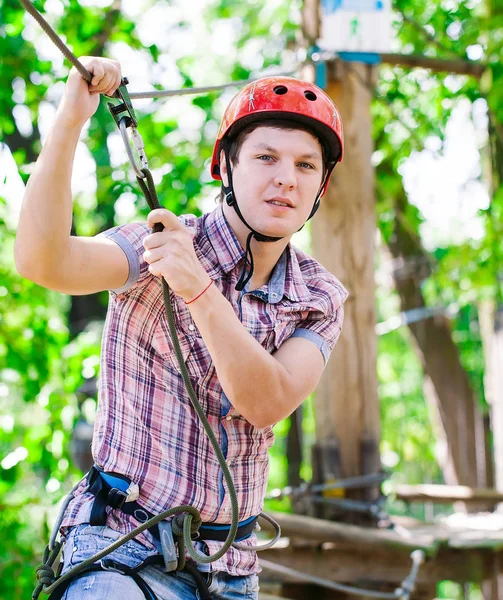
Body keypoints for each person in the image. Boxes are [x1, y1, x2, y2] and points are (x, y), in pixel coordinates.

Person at [15, 57, 348, 600]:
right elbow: (44, 260)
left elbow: (267, 402)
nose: (286, 177)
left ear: (321, 188)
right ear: (226, 168)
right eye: (266, 157)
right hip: (120, 545)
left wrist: (198, 290)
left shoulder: (318, 296)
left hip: (229, 569)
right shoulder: (159, 244)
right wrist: (70, 120)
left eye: (306, 166)